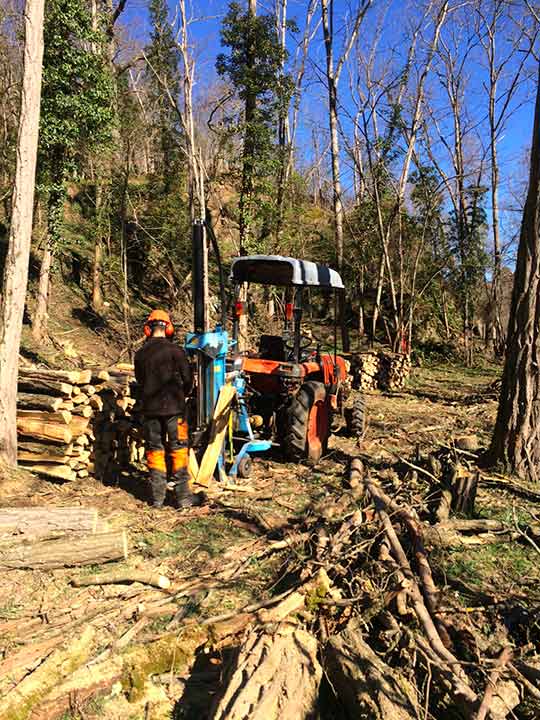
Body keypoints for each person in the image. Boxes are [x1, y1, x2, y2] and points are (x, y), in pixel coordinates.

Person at [134, 309, 200, 508]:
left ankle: (157, 499)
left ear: (148, 328)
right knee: (179, 450)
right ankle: (183, 498)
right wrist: (184, 393)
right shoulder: (176, 351)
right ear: (168, 327)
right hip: (175, 411)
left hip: (150, 410)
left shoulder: (140, 354)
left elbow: (139, 380)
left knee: (155, 451)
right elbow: (188, 380)